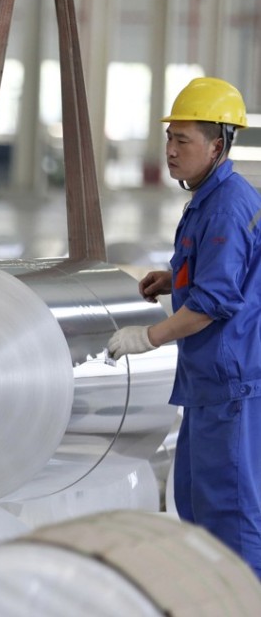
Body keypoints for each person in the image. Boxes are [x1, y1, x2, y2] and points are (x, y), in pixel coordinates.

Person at [108, 77, 261, 578]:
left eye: (182, 140)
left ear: (217, 145)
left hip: (231, 387)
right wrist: (172, 280)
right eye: (169, 138)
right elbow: (213, 274)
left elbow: (217, 301)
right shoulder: (207, 199)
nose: (170, 151)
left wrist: (146, 337)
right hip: (207, 385)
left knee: (233, 519)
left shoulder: (227, 205)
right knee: (196, 505)